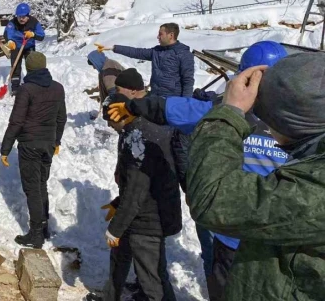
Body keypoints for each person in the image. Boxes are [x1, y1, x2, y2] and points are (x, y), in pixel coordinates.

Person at [108, 41, 290, 300]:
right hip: (283, 238)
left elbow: (171, 108)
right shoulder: (307, 121)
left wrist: (132, 105)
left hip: (232, 233)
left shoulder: (221, 112)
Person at [187, 52, 325, 300]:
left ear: (295, 126)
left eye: (268, 120)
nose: (267, 130)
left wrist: (229, 113)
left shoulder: (317, 189)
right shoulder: (313, 156)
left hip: (235, 230)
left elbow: (213, 199)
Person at [100, 93, 181, 301]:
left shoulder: (139, 140)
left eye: (109, 120)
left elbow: (137, 191)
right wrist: (118, 205)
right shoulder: (132, 132)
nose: (109, 126)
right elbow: (136, 186)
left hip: (149, 221)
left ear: (119, 116)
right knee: (119, 259)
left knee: (152, 278)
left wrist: (115, 228)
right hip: (137, 214)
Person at [0, 52, 66, 248]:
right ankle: (44, 226)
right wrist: (56, 141)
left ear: (28, 68)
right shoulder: (58, 88)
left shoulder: (26, 89)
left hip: (29, 145)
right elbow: (61, 118)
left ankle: (36, 233)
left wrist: (5, 148)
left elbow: (17, 121)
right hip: (47, 144)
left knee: (32, 189)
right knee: (41, 185)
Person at [96, 23, 194, 97]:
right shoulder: (156, 51)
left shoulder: (184, 54)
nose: (157, 37)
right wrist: (114, 47)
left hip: (173, 99)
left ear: (171, 35)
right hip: (156, 96)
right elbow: (136, 52)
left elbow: (188, 80)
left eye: (160, 34)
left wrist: (186, 102)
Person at [3, 3, 46, 95]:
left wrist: (33, 34)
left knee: (32, 65)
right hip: (16, 46)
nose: (21, 19)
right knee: (15, 66)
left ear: (28, 16)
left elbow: (41, 36)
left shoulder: (34, 22)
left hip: (29, 46)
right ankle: (15, 89)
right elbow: (7, 33)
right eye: (19, 17)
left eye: (23, 17)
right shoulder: (12, 23)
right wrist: (10, 41)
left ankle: (32, 85)